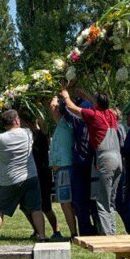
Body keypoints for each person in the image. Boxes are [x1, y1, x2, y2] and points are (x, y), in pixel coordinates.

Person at [60, 88, 122, 236]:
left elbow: (71, 107)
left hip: (105, 158)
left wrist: (66, 95)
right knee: (111, 200)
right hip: (118, 158)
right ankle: (112, 231)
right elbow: (98, 102)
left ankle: (108, 235)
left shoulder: (93, 115)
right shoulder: (111, 115)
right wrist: (84, 94)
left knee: (102, 200)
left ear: (96, 104)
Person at [0, 109, 46, 242]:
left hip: (9, 180)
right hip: (30, 178)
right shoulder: (27, 134)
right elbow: (36, 128)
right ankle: (42, 235)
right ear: (16, 120)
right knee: (35, 208)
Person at [58, 92, 98, 236]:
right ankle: (97, 228)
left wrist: (64, 97)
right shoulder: (95, 121)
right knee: (93, 200)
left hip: (80, 163)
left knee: (80, 200)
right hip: (94, 163)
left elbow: (64, 111)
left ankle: (86, 230)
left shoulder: (79, 121)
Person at [26, 115, 63, 240]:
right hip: (30, 174)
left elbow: (43, 124)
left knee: (46, 206)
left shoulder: (41, 135)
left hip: (42, 174)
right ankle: (36, 230)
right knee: (26, 206)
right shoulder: (27, 136)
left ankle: (56, 230)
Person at [48, 97, 78, 238]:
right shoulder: (70, 123)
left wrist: (56, 91)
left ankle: (73, 233)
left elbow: (53, 106)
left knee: (66, 203)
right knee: (69, 203)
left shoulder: (65, 124)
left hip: (64, 168)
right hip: (66, 167)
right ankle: (75, 231)